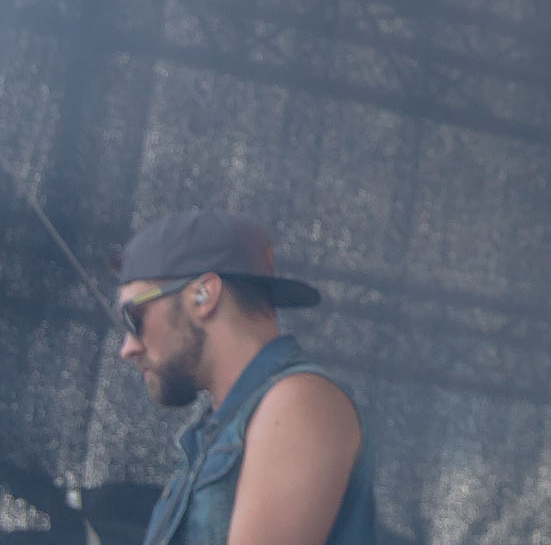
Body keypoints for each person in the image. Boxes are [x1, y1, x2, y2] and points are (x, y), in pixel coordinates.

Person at [115, 209, 375, 545]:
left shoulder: (295, 403)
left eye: (133, 317)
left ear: (203, 294)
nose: (128, 348)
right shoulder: (220, 425)